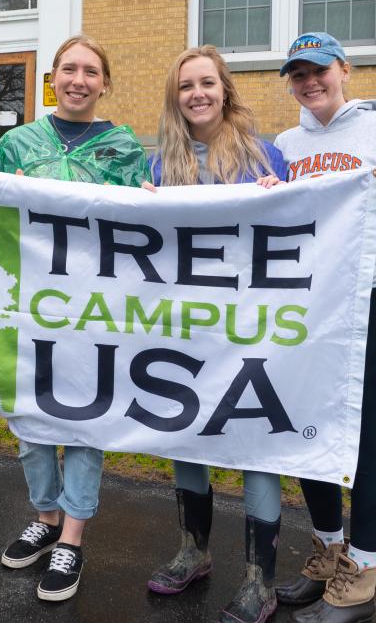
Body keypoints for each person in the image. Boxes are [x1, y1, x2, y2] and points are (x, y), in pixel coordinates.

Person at [268, 33, 376, 623]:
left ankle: (361, 574)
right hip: (308, 308)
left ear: (344, 70)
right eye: (298, 74)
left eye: (320, 70)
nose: (310, 81)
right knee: (306, 434)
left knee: (366, 439)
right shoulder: (285, 144)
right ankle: (328, 555)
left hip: (371, 300)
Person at [0, 34, 150, 602]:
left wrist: (149, 202)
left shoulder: (124, 148)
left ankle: (72, 539)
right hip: (29, 304)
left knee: (83, 418)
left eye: (91, 71)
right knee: (30, 418)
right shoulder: (16, 144)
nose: (79, 80)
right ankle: (46, 516)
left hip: (93, 308)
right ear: (53, 76)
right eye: (69, 69)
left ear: (106, 83)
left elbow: (140, 227)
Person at [145, 44, 288, 623]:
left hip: (251, 325)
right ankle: (193, 551)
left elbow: (297, 231)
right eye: (186, 86)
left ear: (225, 89)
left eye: (207, 83)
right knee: (186, 434)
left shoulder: (263, 153)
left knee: (256, 442)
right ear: (175, 97)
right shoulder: (160, 165)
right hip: (187, 326)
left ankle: (261, 579)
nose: (197, 94)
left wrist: (286, 198)